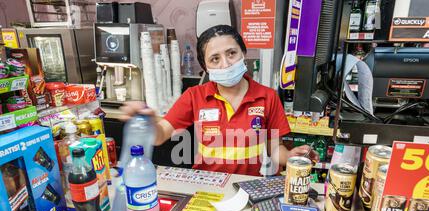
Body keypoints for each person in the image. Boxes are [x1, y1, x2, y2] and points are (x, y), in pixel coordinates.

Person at [120, 25, 318, 176]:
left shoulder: (267, 97)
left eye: (231, 53)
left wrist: (290, 157)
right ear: (205, 67)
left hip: (248, 186)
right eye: (215, 59)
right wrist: (147, 120)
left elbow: (275, 149)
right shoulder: (194, 96)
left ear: (243, 54)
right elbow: (160, 135)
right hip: (207, 185)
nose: (225, 64)